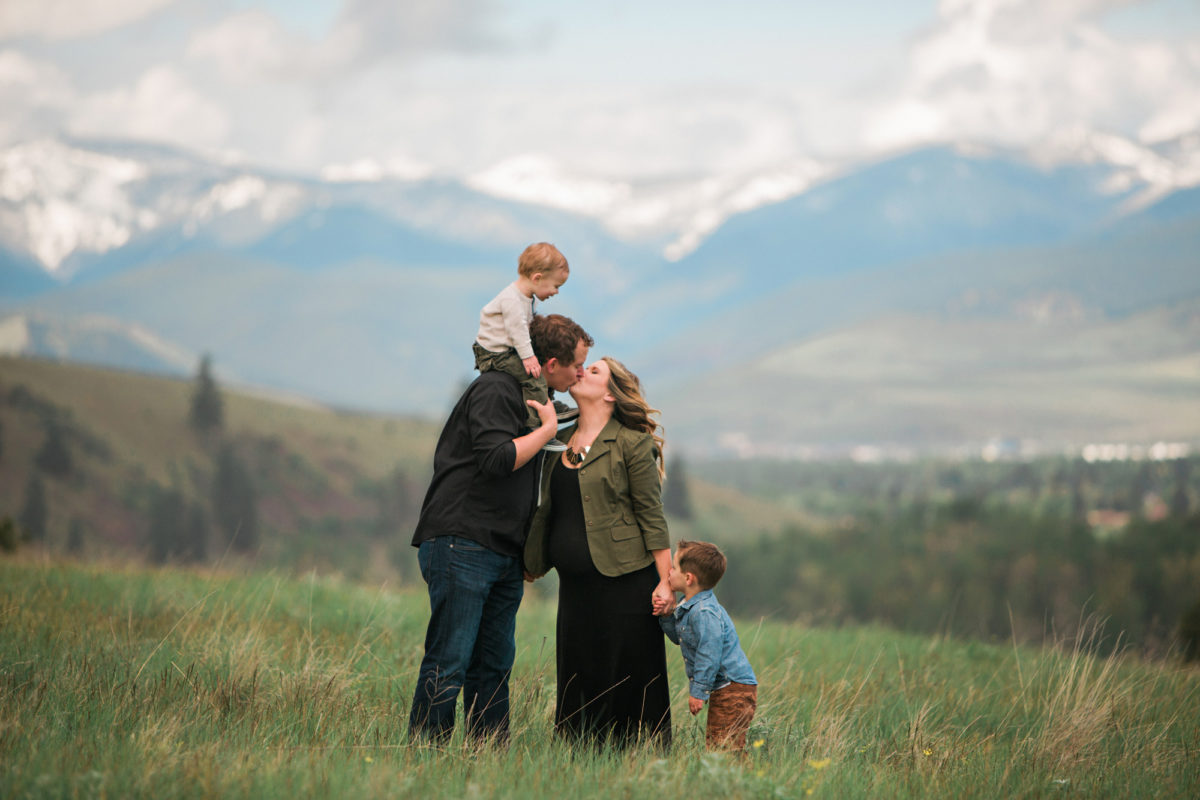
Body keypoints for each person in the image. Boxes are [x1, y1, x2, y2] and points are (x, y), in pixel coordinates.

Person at [408, 313, 593, 746]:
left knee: (493, 664)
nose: (582, 372)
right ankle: (424, 752)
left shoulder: (536, 395)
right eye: (577, 365)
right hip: (462, 541)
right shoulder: (496, 389)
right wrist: (548, 429)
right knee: (449, 659)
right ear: (550, 363)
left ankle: (489, 754)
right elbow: (495, 459)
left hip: (503, 552)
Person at [524, 356, 675, 749]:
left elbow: (651, 517)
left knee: (624, 677)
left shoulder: (632, 443)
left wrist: (666, 583)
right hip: (575, 587)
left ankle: (635, 755)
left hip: (626, 582)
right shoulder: (557, 437)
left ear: (610, 393)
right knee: (578, 672)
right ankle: (578, 755)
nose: (582, 371)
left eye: (593, 371)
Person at [659, 540, 758, 753]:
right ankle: (733, 780)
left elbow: (709, 653)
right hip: (728, 687)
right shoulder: (692, 606)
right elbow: (681, 638)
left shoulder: (704, 612)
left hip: (734, 688)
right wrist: (666, 616)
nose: (669, 571)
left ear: (688, 578)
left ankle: (738, 782)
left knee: (724, 747)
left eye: (674, 567)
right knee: (721, 744)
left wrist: (698, 691)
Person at [473, 242, 573, 449]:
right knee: (533, 378)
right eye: (556, 286)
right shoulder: (513, 300)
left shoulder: (525, 297)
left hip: (503, 348)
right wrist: (528, 357)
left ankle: (547, 407)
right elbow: (517, 332)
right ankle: (538, 427)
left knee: (536, 374)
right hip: (496, 354)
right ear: (537, 278)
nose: (556, 292)